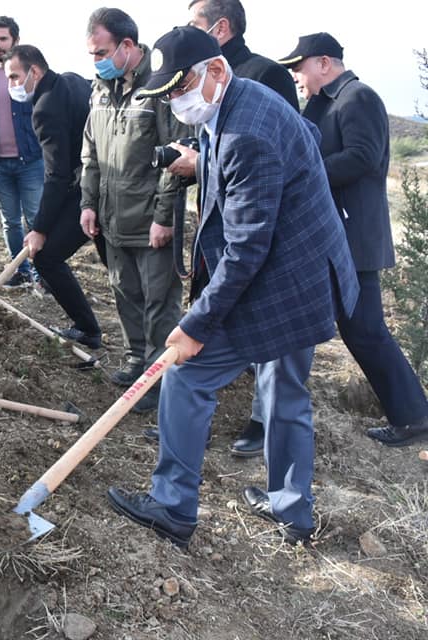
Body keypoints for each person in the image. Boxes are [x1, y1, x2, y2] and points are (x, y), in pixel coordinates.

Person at [106, 26, 359, 549]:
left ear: (217, 70)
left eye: (181, 89)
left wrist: (196, 324)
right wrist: (205, 160)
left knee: (187, 374)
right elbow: (288, 153)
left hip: (288, 281)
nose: (176, 102)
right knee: (283, 388)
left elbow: (246, 248)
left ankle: (173, 507)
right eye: (167, 93)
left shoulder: (248, 133)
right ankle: (292, 511)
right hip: (303, 266)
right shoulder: (243, 97)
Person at [149, 0, 303, 454]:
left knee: (280, 380)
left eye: (194, 23)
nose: (176, 100)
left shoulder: (260, 80)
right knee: (210, 369)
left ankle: (273, 465)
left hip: (282, 262)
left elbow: (251, 235)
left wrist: (206, 164)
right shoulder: (217, 94)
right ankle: (285, 507)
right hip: (246, 242)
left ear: (220, 30)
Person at [280, 33, 428, 448]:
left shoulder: (358, 97)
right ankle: (413, 415)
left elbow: (363, 156)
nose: (296, 76)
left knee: (365, 329)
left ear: (324, 62)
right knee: (361, 329)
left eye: (299, 67)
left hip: (354, 238)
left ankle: (415, 416)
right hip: (335, 237)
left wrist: (304, 175)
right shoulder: (326, 103)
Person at [79, 8, 188, 414]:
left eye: (102, 52)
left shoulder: (159, 89)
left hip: (150, 219)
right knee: (124, 292)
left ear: (128, 46)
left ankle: (160, 378)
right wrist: (89, 204)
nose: (96, 61)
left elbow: (176, 159)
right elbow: (90, 154)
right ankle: (135, 359)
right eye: (91, 53)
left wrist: (164, 215)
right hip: (112, 217)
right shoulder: (100, 89)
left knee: (160, 302)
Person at [5, 45, 103, 350]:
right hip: (103, 183)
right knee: (118, 265)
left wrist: (40, 228)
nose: (12, 85)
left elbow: (57, 175)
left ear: (34, 71)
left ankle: (88, 329)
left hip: (87, 189)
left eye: (14, 77)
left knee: (46, 257)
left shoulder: (45, 107)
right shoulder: (73, 80)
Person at [0, 16, 43, 289]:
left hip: (31, 162)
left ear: (15, 39)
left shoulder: (30, 73)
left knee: (36, 220)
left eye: (3, 38)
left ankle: (42, 274)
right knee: (10, 222)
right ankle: (21, 270)